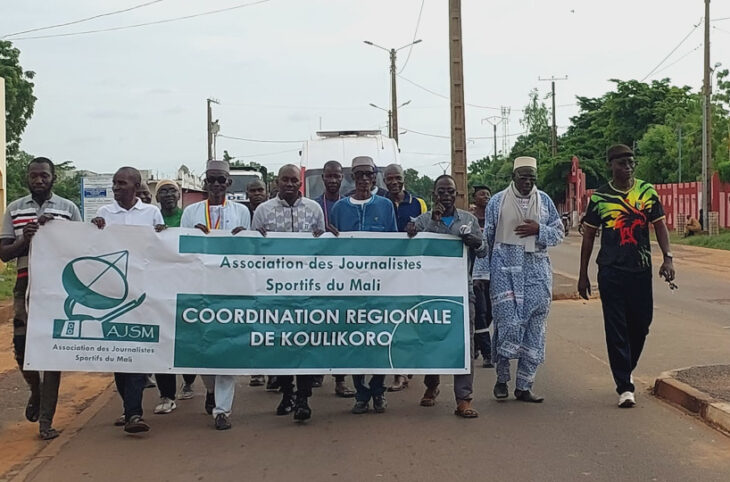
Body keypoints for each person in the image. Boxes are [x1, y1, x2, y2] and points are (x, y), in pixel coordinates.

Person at [578, 144, 675, 408]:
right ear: (611, 165)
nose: (628, 167)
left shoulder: (647, 192)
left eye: (631, 162)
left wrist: (668, 258)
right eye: (622, 163)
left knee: (642, 323)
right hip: (611, 271)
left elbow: (660, 226)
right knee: (616, 327)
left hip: (640, 270)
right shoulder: (599, 197)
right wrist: (583, 274)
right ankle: (625, 386)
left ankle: (626, 366)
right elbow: (588, 236)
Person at [0, 157, 82, 440]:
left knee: (52, 351)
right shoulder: (15, 208)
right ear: (27, 178)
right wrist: (26, 238)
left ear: (53, 178)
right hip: (25, 284)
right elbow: (5, 253)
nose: (38, 180)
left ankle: (46, 421)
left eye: (43, 176)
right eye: (33, 176)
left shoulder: (68, 208)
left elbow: (81, 249)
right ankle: (35, 389)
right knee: (22, 349)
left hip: (58, 287)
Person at [91, 167, 165, 434]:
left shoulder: (151, 213)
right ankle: (129, 408)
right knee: (118, 355)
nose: (116, 187)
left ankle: (133, 413)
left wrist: (162, 233)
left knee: (135, 351)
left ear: (136, 186)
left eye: (121, 183)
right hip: (113, 293)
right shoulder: (104, 214)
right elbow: (94, 249)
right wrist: (94, 230)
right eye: (114, 183)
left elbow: (159, 247)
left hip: (142, 293)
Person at [485, 156, 564, 403]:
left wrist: (538, 229)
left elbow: (560, 232)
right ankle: (502, 378)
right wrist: (482, 273)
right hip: (504, 270)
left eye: (532, 178)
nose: (528, 182)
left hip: (536, 273)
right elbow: (487, 236)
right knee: (507, 325)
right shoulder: (497, 202)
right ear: (514, 177)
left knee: (534, 329)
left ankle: (524, 386)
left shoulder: (545, 202)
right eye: (523, 177)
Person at [407, 175, 486, 418]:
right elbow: (409, 251)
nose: (446, 196)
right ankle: (431, 385)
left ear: (456, 195)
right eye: (441, 192)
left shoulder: (469, 220)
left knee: (464, 343)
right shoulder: (422, 221)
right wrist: (412, 232)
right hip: (430, 294)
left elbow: (483, 251)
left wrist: (473, 242)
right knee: (431, 340)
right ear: (434, 195)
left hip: (462, 292)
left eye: (450, 192)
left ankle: (464, 399)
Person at [180, 160, 251, 430]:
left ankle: (223, 410)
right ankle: (209, 390)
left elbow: (251, 247)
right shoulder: (192, 212)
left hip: (231, 290)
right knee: (203, 350)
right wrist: (191, 235)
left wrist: (245, 236)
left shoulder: (242, 212)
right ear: (205, 183)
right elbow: (181, 247)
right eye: (212, 180)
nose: (217, 185)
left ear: (229, 183)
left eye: (222, 180)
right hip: (201, 288)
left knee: (227, 351)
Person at [252, 164, 325, 422]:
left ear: (300, 183)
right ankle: (287, 393)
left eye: (295, 180)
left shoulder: (315, 210)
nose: (290, 184)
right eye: (285, 180)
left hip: (307, 289)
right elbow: (253, 250)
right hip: (275, 291)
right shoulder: (263, 211)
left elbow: (322, 249)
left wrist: (323, 235)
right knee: (281, 344)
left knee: (305, 344)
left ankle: (303, 399)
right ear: (277, 182)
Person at [330, 156, 397, 414]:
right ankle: (360, 392)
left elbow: (393, 243)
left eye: (369, 174)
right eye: (359, 175)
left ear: (374, 177)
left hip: (380, 287)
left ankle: (378, 390)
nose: (364, 180)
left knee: (379, 339)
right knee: (353, 341)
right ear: (352, 178)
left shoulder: (385, 206)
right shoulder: (339, 208)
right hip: (349, 288)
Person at [151, 180, 197, 412]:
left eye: (172, 191)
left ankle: (188, 381)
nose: (168, 195)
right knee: (162, 340)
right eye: (163, 191)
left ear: (179, 196)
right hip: (159, 286)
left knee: (187, 338)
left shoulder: (187, 217)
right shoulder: (151, 218)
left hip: (186, 283)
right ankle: (166, 395)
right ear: (156, 197)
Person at [312, 160, 356, 398]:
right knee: (319, 323)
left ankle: (340, 379)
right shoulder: (314, 205)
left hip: (345, 274)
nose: (333, 180)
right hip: (320, 274)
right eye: (329, 176)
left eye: (337, 176)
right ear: (322, 178)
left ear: (342, 178)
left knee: (340, 327)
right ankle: (318, 370)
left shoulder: (349, 204)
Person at [382, 163, 427, 392]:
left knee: (411, 320)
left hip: (412, 271)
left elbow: (428, 231)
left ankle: (409, 364)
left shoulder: (418, 203)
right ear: (383, 180)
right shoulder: (379, 203)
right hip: (386, 272)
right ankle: (398, 373)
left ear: (403, 178)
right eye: (389, 178)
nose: (393, 182)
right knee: (392, 320)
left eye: (397, 177)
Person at [245, 178, 268, 388]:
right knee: (255, 324)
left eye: (260, 190)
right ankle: (257, 370)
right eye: (253, 190)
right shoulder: (242, 214)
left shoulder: (269, 211)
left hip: (273, 276)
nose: (257, 194)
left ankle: (274, 371)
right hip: (249, 275)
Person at [471, 185, 494, 368]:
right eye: (482, 194)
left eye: (488, 194)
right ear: (474, 197)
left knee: (491, 312)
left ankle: (476, 342)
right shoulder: (469, 219)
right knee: (481, 311)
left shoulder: (495, 217)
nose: (485, 196)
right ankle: (487, 352)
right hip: (475, 272)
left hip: (494, 271)